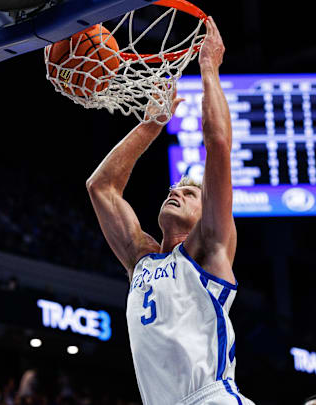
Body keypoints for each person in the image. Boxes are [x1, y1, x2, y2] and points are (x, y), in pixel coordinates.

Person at [87, 16, 253, 405]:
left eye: (190, 193)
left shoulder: (209, 247)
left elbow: (218, 143)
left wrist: (209, 67)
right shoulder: (140, 259)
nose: (176, 190)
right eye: (174, 187)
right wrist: (150, 125)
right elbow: (101, 187)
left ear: (205, 213)